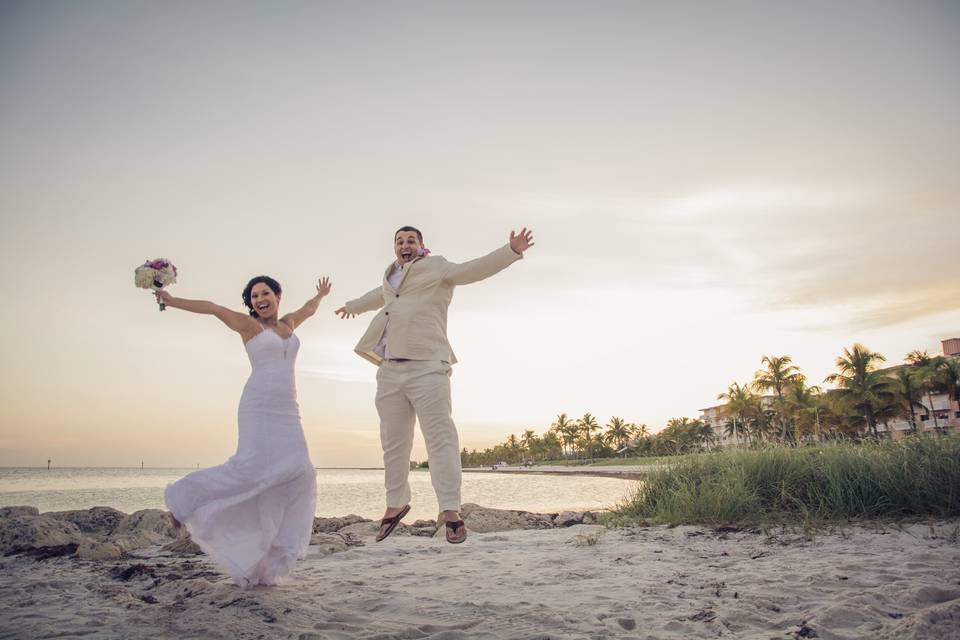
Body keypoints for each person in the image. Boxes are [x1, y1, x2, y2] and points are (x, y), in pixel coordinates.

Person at [336, 227, 534, 544]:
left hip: (428, 365)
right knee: (393, 443)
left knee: (440, 439)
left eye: (410, 240)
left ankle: (450, 510)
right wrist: (352, 306)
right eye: (399, 241)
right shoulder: (391, 276)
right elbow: (378, 296)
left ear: (421, 245)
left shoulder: (436, 267)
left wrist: (510, 251)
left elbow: (472, 270)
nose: (405, 245)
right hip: (389, 369)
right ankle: (396, 502)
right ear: (394, 248)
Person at [156, 275, 331, 586]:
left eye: (265, 293)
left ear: (278, 296)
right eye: (254, 296)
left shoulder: (288, 324)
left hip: (288, 409)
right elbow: (211, 307)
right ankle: (184, 497)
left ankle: (265, 558)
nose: (260, 299)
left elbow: (309, 309)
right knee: (249, 469)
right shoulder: (248, 326)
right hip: (258, 405)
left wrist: (321, 294)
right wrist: (171, 300)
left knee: (300, 471)